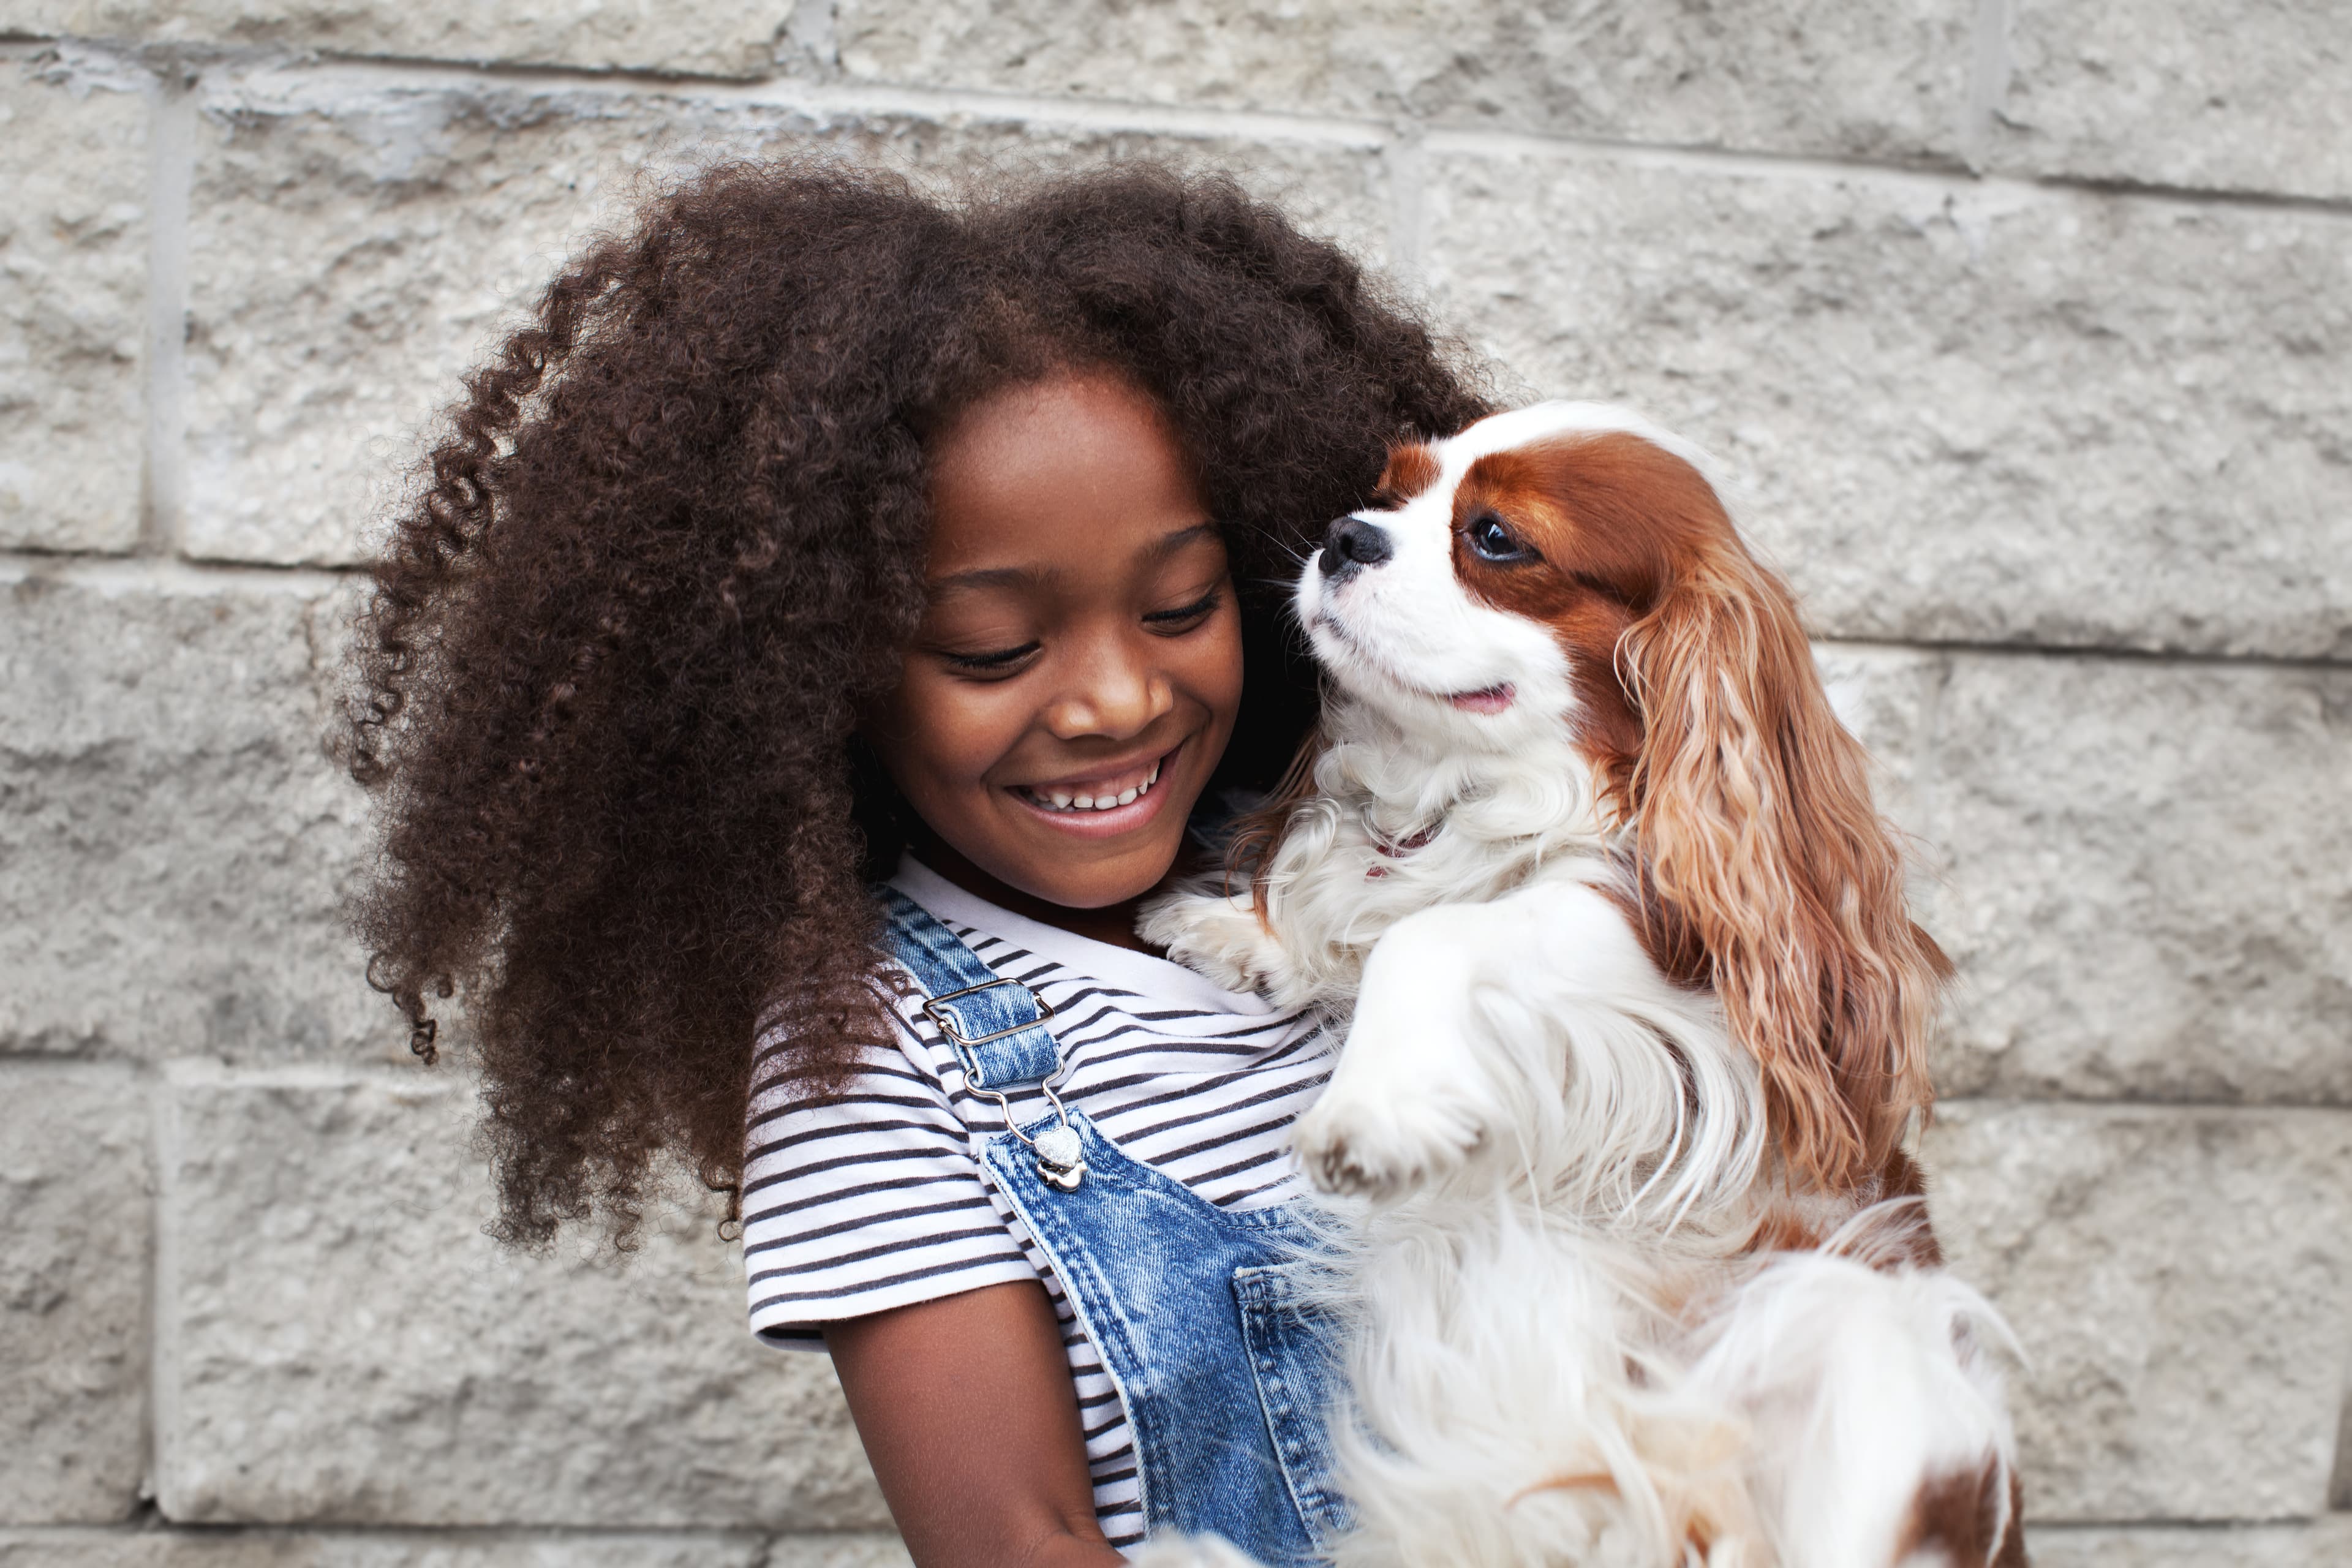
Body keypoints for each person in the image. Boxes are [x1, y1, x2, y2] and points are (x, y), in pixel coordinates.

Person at [344, 159, 1489, 1566]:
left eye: (1183, 604)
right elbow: (1020, 1541)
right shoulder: (881, 1057)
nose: (1115, 701)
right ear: (820, 673)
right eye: (995, 648)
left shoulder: (1370, 855)